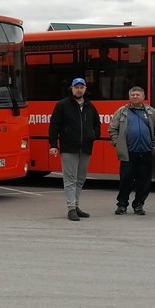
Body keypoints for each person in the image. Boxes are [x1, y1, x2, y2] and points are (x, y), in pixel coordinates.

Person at [48, 77, 100, 221]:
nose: (79, 89)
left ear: (85, 89)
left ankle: (76, 205)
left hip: (86, 147)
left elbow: (97, 123)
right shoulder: (62, 105)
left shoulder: (90, 106)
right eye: (76, 87)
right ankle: (71, 208)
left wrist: (93, 135)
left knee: (80, 178)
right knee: (70, 179)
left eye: (81, 87)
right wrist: (53, 145)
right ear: (71, 88)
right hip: (69, 147)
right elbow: (54, 126)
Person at [108, 86, 155, 215]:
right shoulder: (122, 111)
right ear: (129, 97)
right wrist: (117, 143)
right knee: (126, 180)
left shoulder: (151, 112)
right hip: (128, 153)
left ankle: (139, 205)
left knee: (144, 181)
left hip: (146, 152)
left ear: (143, 97)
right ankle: (122, 205)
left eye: (138, 95)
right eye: (133, 95)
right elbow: (112, 129)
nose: (135, 97)